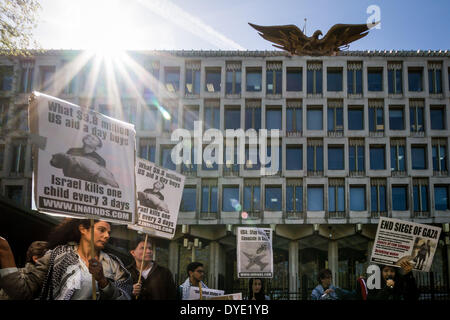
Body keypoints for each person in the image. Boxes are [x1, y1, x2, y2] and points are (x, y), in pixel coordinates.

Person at [0, 219, 132, 300]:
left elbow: (125, 296)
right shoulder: (56, 256)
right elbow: (24, 292)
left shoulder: (114, 265)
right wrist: (5, 253)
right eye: (101, 230)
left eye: (109, 232)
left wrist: (103, 281)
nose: (107, 236)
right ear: (83, 229)